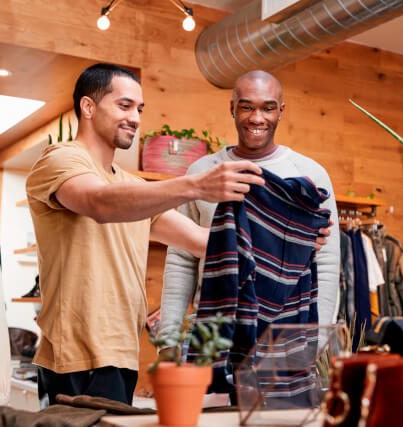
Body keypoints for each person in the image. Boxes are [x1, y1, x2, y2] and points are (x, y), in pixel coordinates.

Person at [25, 63, 267, 406]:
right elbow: (98, 202)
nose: (136, 118)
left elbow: (203, 242)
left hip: (121, 356)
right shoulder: (60, 160)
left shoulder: (133, 188)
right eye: (124, 106)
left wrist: (288, 238)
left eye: (139, 109)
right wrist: (194, 185)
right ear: (88, 107)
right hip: (74, 359)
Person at [159, 70, 340, 363]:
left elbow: (328, 264)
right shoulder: (202, 173)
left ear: (281, 111)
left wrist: (316, 341)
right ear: (232, 108)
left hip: (284, 337)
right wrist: (168, 339)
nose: (258, 118)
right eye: (247, 106)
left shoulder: (310, 176)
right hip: (212, 333)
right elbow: (181, 258)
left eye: (268, 108)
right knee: (209, 409)